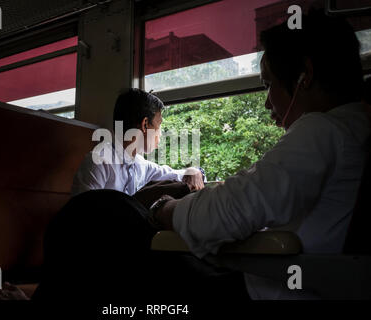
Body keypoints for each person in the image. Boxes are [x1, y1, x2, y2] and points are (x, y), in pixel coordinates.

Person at [151, 10, 371, 299]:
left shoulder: (324, 128)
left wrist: (163, 209)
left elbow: (224, 214)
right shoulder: (358, 127)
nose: (268, 103)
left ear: (305, 75)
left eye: (269, 85)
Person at [70, 89, 205, 197]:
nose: (161, 133)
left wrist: (194, 171)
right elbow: (82, 214)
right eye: (159, 124)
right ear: (145, 124)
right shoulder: (98, 162)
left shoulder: (140, 165)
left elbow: (174, 174)